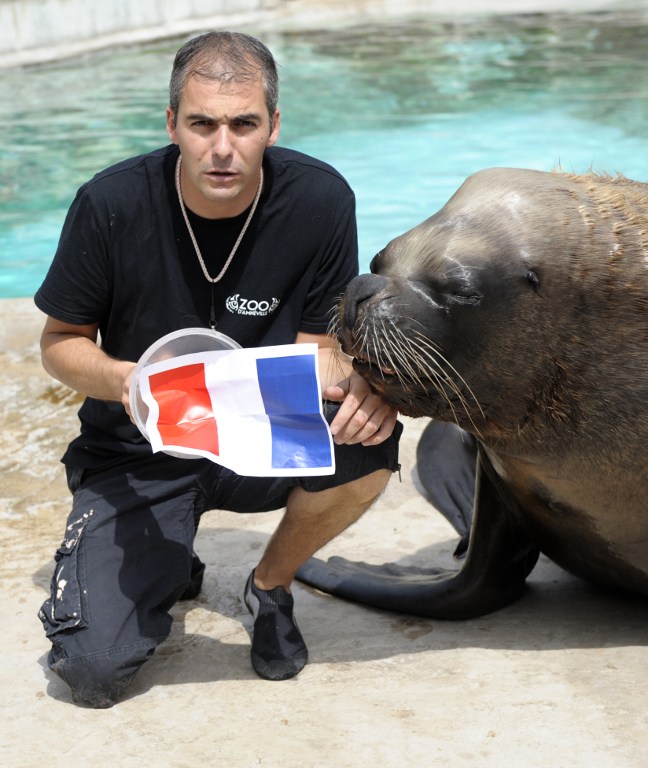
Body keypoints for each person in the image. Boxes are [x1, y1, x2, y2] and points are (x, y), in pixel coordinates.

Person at [34, 30, 402, 708]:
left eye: (244, 124)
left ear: (274, 125)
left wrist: (358, 387)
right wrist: (126, 383)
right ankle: (166, 557)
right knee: (93, 671)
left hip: (259, 435)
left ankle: (269, 585)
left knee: (369, 436)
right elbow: (60, 340)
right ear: (173, 122)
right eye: (202, 123)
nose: (223, 147)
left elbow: (319, 345)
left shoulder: (319, 201)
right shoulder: (110, 204)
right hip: (136, 447)